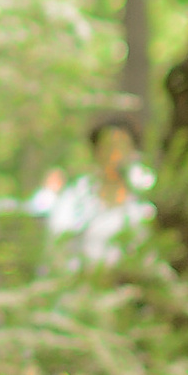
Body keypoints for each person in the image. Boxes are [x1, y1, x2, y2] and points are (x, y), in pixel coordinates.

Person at [33, 105, 151, 266]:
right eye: (108, 146)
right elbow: (58, 245)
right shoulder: (76, 198)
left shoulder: (143, 203)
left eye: (122, 146)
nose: (115, 155)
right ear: (96, 151)